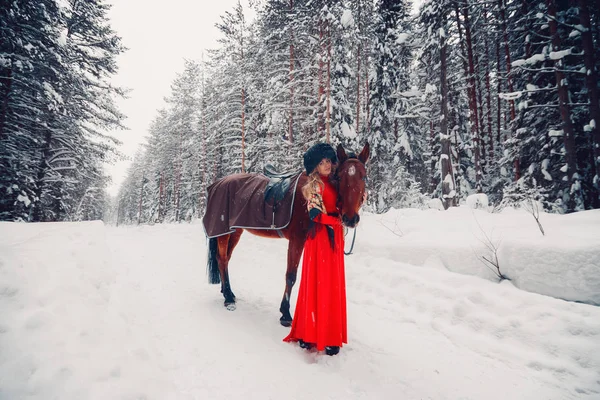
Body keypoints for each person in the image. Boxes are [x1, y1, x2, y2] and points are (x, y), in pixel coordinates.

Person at [283, 142, 347, 356]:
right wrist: (335, 221)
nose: (326, 165)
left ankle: (329, 333)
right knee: (318, 284)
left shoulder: (335, 184)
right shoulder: (314, 186)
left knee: (332, 286)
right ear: (315, 167)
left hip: (334, 239)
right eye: (321, 163)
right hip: (319, 238)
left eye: (328, 161)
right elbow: (315, 215)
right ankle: (309, 333)